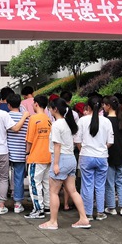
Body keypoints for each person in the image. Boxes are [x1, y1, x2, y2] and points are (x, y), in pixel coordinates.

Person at [39, 99, 90, 230]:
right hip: (71, 159)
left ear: (55, 109)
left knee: (53, 192)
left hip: (61, 159)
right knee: (73, 191)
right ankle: (84, 218)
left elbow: (57, 145)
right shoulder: (68, 123)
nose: (49, 110)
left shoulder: (57, 125)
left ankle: (53, 221)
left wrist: (55, 164)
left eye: (50, 108)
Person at [0, 90, 30, 216]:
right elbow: (16, 128)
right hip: (2, 150)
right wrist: (24, 116)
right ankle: (2, 206)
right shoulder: (4, 114)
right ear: (0, 101)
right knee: (3, 178)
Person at [74, 96, 114, 220]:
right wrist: (102, 148)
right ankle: (100, 212)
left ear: (88, 107)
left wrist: (82, 149)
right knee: (100, 185)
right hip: (102, 157)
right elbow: (110, 142)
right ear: (101, 106)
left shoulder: (82, 120)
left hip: (86, 156)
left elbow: (77, 140)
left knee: (87, 185)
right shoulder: (106, 121)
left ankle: (88, 213)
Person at [102, 96, 122, 217]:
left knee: (110, 183)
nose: (103, 107)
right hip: (121, 155)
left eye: (104, 105)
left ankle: (111, 207)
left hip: (108, 155)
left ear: (109, 106)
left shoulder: (105, 121)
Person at [25, 95, 52, 220]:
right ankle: (47, 207)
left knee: (35, 184)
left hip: (36, 156)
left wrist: (27, 153)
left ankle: (38, 209)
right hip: (48, 156)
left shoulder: (33, 118)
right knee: (46, 184)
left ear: (36, 104)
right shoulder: (49, 119)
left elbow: (29, 139)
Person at [7, 93, 29, 213]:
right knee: (19, 177)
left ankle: (0, 202)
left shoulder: (6, 116)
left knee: (2, 177)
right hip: (20, 151)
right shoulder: (26, 118)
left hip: (7, 151)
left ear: (9, 105)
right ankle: (17, 203)